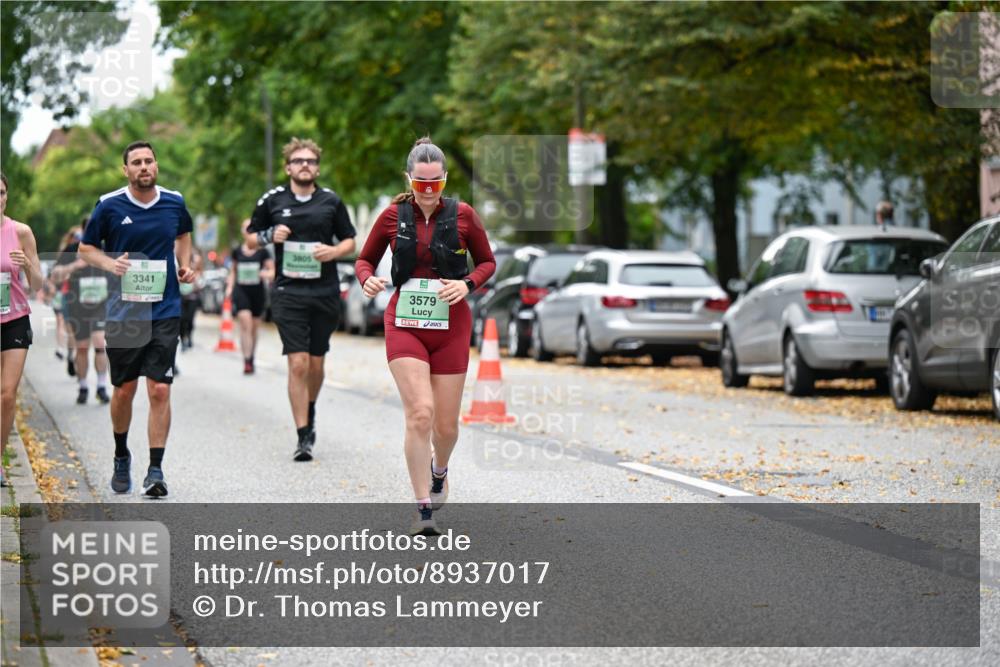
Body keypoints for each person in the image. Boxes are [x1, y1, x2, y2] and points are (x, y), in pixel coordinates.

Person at [355, 137, 495, 535]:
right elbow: (364, 260)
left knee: (446, 427)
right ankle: (422, 509)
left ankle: (439, 470)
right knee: (420, 413)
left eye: (435, 183)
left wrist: (467, 284)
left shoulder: (464, 215)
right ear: (409, 179)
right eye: (421, 183)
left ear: (446, 180)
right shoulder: (392, 216)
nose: (428, 191)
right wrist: (367, 280)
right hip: (405, 322)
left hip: (451, 324)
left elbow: (487, 262)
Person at [78, 141, 195, 498]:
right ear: (125, 169)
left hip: (164, 309)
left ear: (156, 165)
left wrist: (184, 265)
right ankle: (120, 454)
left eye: (149, 161)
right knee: (124, 390)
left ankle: (156, 469)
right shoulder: (109, 204)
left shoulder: (174, 201)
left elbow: (183, 234)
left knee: (159, 388)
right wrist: (111, 264)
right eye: (137, 162)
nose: (144, 166)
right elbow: (86, 248)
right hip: (123, 312)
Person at [247, 138, 356, 461]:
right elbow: (250, 239)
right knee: (298, 363)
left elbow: (350, 239)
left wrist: (334, 252)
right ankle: (302, 435)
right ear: (288, 167)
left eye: (310, 161)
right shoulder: (273, 200)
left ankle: (309, 407)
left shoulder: (331, 201)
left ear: (317, 168)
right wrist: (270, 236)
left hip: (324, 291)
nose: (304, 165)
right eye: (298, 161)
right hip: (288, 292)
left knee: (317, 363)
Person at [0, 173, 44, 487]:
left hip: (14, 318)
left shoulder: (20, 232)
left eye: (1, 192)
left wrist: (27, 265)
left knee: (6, 394)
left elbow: (39, 283)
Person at [52, 217, 111, 404]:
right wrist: (74, 265)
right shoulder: (73, 250)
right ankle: (83, 386)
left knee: (100, 343)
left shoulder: (107, 250)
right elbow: (55, 275)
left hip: (101, 305)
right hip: (78, 306)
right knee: (83, 348)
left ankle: (101, 386)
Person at [225, 219, 274, 374]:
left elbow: (272, 271)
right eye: (246, 228)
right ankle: (246, 360)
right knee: (245, 323)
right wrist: (230, 287)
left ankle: (251, 356)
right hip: (241, 290)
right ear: (242, 231)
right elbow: (233, 270)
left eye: (252, 229)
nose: (249, 231)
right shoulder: (237, 251)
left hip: (258, 292)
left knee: (253, 327)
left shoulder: (263, 251)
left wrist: (263, 273)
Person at [179, 247, 203, 350]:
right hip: (182, 297)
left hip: (193, 298)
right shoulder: (180, 265)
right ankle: (183, 338)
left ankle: (189, 336)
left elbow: (201, 282)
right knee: (182, 319)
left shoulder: (197, 269)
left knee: (190, 319)